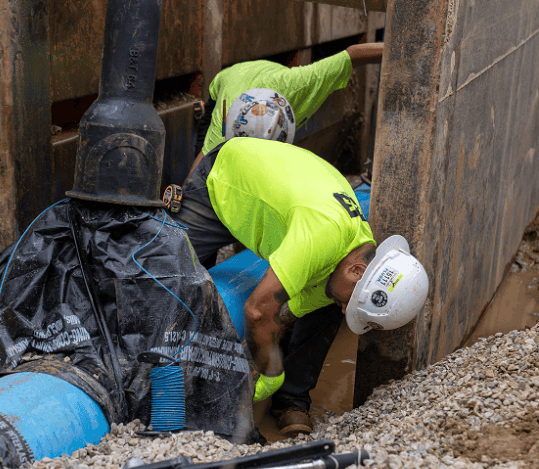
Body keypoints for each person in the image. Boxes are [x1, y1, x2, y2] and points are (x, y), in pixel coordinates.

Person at [168, 137, 429, 436]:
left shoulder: (355, 254)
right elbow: (257, 310)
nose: (347, 311)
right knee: (166, 278)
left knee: (329, 304)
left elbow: (284, 313)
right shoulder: (321, 236)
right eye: (352, 304)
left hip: (273, 198)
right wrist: (273, 371)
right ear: (357, 270)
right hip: (226, 180)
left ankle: (291, 400)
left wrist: (259, 354)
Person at [189, 42, 384, 175]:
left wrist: (406, 45)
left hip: (268, 75)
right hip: (228, 81)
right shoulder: (225, 127)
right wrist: (181, 203)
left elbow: (352, 55)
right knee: (209, 168)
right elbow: (199, 169)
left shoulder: (302, 84)